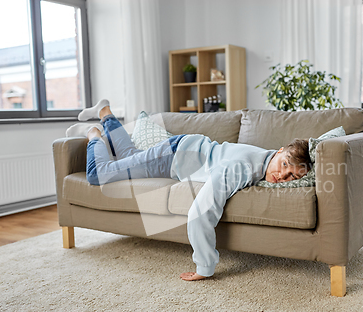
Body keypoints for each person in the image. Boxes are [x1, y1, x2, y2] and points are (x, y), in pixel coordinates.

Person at [66, 100, 312, 281]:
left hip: (182, 152)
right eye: (284, 166)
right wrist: (205, 267)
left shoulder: (265, 160)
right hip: (173, 156)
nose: (282, 177)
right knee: (99, 174)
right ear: (279, 151)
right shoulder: (243, 167)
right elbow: (201, 211)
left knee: (130, 156)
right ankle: (94, 133)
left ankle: (105, 112)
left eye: (292, 176)